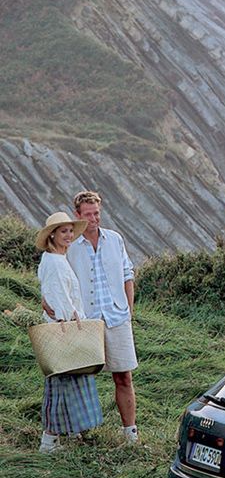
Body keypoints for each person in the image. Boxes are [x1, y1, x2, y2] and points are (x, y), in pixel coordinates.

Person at [66, 190, 140, 443]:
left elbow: (127, 273)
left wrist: (128, 309)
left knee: (124, 376)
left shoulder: (115, 239)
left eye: (96, 213)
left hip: (116, 317)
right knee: (81, 378)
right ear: (77, 215)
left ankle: (130, 433)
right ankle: (79, 432)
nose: (94, 218)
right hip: (85, 321)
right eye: (88, 214)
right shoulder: (71, 245)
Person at [36, 212, 104, 452]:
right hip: (62, 330)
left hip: (64, 327)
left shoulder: (56, 258)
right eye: (63, 231)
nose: (68, 235)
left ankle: (66, 435)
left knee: (67, 382)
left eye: (70, 231)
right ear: (52, 234)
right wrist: (69, 317)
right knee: (61, 384)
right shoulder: (54, 262)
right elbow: (57, 298)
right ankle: (49, 440)